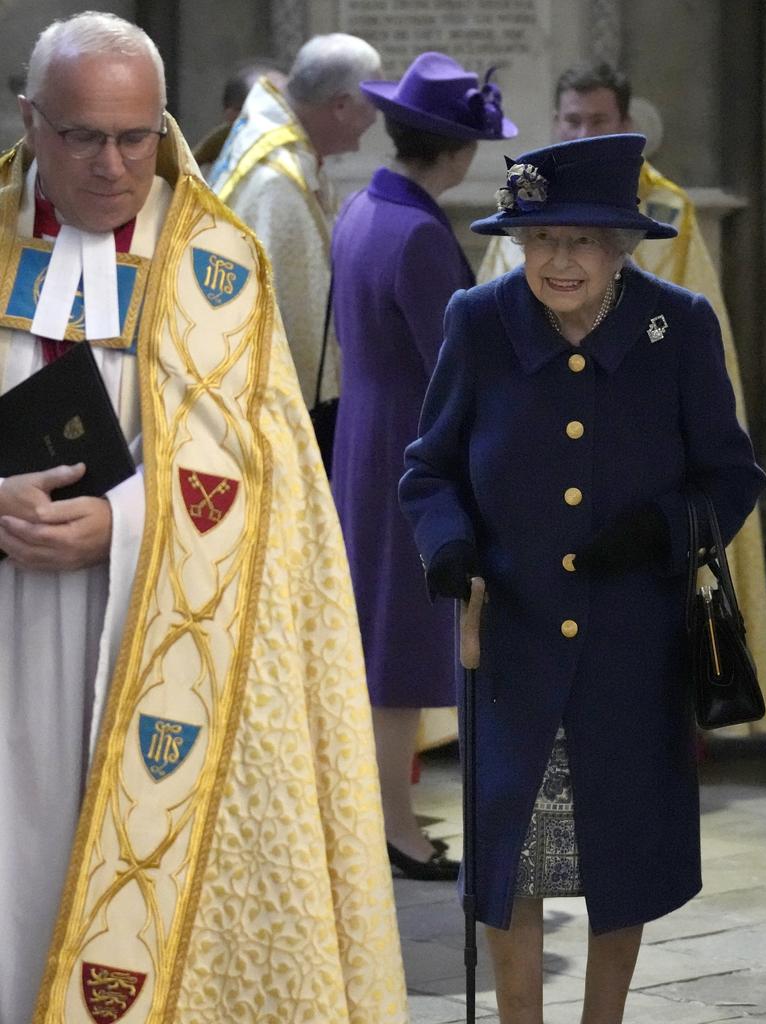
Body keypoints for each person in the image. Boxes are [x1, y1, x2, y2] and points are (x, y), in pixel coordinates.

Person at [0, 13, 407, 1024]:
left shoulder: (218, 263)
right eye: (82, 136)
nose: (110, 164)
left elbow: (270, 477)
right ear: (29, 122)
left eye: (136, 137)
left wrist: (128, 523)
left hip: (154, 647)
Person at [399, 134, 766, 1023]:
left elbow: (731, 475)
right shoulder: (478, 321)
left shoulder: (676, 326)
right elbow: (428, 469)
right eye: (543, 239)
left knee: (624, 857)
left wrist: (660, 531)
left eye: (583, 241)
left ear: (622, 247)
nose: (560, 262)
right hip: (512, 642)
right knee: (508, 856)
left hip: (633, 647)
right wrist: (445, 543)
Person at [478, 63, 766, 714]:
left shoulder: (664, 214)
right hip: (526, 585)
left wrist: (668, 530)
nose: (559, 256)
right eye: (571, 120)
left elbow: (697, 340)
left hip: (637, 550)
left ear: (627, 125)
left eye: (598, 120)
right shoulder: (523, 211)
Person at [331, 51, 516, 881]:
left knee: (378, 644)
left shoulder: (364, 207)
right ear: (457, 150)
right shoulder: (416, 232)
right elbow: (455, 363)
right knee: (398, 654)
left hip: (366, 437)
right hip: (410, 448)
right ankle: (395, 827)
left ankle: (381, 816)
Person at [210, 33, 381, 407]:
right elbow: (285, 324)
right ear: (340, 106)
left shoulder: (284, 149)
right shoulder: (277, 183)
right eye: (372, 105)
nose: (375, 118)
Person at [191, 60, 288, 177]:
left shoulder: (303, 169)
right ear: (233, 117)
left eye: (287, 112)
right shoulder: (194, 183)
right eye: (270, 113)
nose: (285, 123)